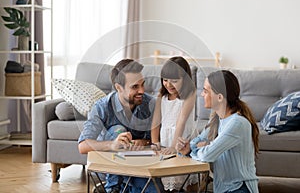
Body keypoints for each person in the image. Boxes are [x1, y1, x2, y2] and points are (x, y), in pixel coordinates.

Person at [78, 59, 161, 193]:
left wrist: (143, 142)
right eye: (135, 87)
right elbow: (83, 146)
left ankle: (123, 188)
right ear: (118, 87)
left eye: (143, 84)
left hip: (139, 167)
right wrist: (112, 145)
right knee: (118, 130)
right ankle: (113, 188)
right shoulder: (102, 107)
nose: (142, 90)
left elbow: (157, 139)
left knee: (155, 190)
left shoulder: (150, 104)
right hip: (111, 169)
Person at [176, 70, 260, 193]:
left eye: (205, 91)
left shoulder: (237, 123)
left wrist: (203, 147)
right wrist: (188, 149)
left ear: (220, 97)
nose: (202, 95)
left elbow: (206, 155)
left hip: (239, 188)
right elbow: (194, 143)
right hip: (223, 189)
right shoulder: (218, 120)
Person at [151, 56, 198, 191]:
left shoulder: (190, 94)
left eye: (174, 81)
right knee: (170, 178)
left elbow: (181, 120)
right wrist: (155, 142)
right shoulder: (162, 97)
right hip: (166, 139)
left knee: (188, 178)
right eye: (165, 80)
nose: (169, 84)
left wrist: (173, 146)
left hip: (183, 139)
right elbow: (156, 121)